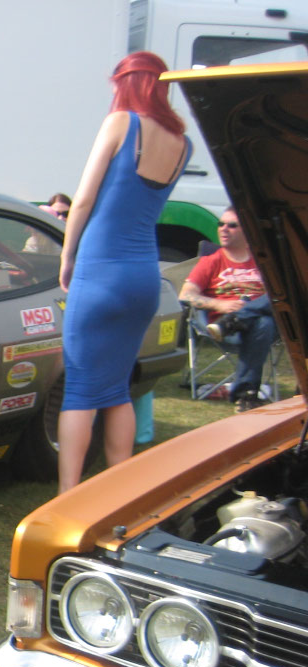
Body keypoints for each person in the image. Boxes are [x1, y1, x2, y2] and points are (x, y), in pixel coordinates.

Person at [56, 51, 191, 493]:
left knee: (79, 389)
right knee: (116, 388)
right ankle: (117, 493)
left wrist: (66, 256)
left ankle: (68, 495)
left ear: (124, 82)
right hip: (143, 276)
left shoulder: (121, 123)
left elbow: (84, 199)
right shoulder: (182, 141)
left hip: (100, 269)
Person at [179, 207, 279, 412]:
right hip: (226, 329)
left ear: (247, 230)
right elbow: (185, 295)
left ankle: (237, 318)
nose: (224, 229)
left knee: (279, 293)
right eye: (221, 224)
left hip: (239, 325)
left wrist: (246, 309)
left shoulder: (264, 260)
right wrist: (220, 304)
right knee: (264, 324)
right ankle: (246, 395)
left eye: (232, 225)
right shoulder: (211, 261)